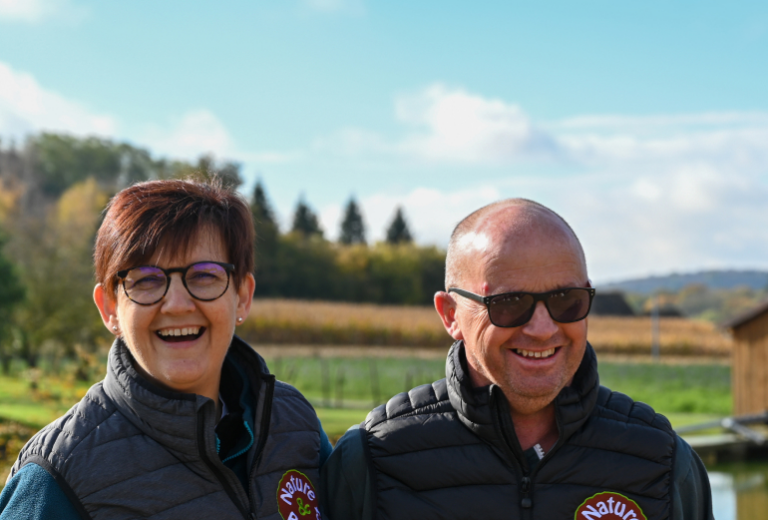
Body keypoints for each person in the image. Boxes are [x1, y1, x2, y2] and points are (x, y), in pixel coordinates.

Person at [322, 199, 713, 520]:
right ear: (450, 315)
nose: (543, 329)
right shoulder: (373, 459)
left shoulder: (662, 461)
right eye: (509, 304)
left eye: (567, 301)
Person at [0, 179, 331, 520]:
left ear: (242, 296)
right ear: (109, 308)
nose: (176, 304)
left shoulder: (295, 424)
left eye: (204, 275)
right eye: (145, 279)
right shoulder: (57, 478)